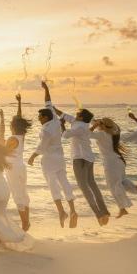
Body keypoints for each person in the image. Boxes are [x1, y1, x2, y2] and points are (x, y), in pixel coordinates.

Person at [40, 81, 110, 225]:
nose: (75, 114)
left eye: (77, 114)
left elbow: (65, 136)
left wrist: (62, 126)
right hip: (89, 158)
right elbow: (64, 115)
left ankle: (99, 215)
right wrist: (53, 108)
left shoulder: (79, 127)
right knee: (93, 184)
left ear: (81, 117)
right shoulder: (81, 123)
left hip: (80, 159)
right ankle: (104, 211)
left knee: (84, 187)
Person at [26, 91, 78, 228]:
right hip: (60, 158)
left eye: (39, 116)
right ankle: (73, 210)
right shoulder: (55, 119)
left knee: (53, 185)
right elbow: (48, 102)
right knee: (64, 182)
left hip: (49, 159)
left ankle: (62, 212)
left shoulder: (45, 130)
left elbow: (42, 147)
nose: (38, 118)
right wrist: (46, 88)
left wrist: (32, 156)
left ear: (44, 117)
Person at [90, 117, 137, 218]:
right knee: (122, 182)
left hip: (111, 163)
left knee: (113, 185)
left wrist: (94, 125)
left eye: (99, 124)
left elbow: (87, 133)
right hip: (118, 161)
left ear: (102, 125)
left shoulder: (102, 134)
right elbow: (106, 125)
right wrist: (96, 122)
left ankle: (122, 208)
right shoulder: (113, 133)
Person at [0, 93, 31, 230]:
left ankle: (24, 224)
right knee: (23, 194)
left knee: (18, 196)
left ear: (13, 126)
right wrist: (19, 103)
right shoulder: (21, 135)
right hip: (20, 167)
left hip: (13, 169)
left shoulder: (12, 138)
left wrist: (1, 127)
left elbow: (3, 149)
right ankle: (26, 222)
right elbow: (19, 118)